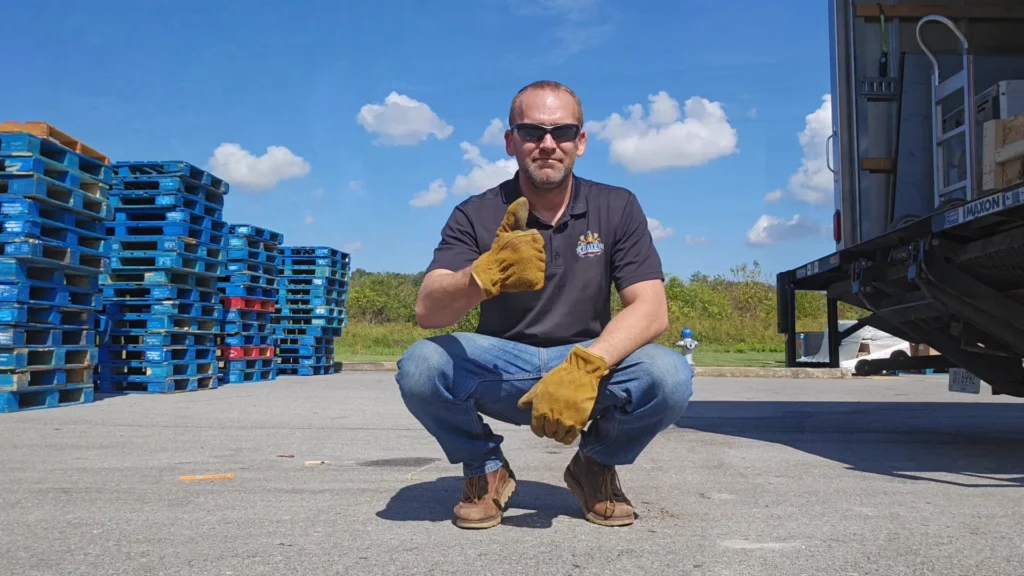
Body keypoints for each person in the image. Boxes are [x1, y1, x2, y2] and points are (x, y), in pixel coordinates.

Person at [394, 80, 694, 530]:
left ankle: (594, 464)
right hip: (501, 363)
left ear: (582, 141)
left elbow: (651, 309)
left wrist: (587, 366)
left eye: (563, 131)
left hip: (589, 360)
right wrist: (481, 275)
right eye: (532, 132)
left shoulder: (616, 206)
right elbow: (428, 312)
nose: (548, 144)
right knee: (419, 366)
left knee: (671, 374)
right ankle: (485, 467)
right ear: (511, 141)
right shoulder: (475, 212)